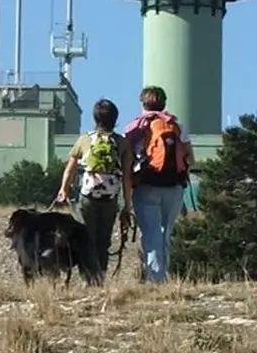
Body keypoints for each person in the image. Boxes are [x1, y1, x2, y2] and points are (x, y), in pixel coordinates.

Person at [55, 98, 133, 278]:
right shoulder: (122, 143)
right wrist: (128, 204)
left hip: (88, 197)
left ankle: (86, 277)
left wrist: (63, 189)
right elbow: (127, 177)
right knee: (103, 241)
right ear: (115, 119)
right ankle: (100, 277)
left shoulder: (84, 139)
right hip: (110, 199)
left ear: (95, 118)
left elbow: (70, 169)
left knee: (85, 238)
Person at [123, 86, 194, 283]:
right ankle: (162, 275)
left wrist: (127, 198)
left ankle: (156, 279)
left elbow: (127, 162)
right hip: (174, 188)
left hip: (146, 186)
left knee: (152, 235)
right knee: (165, 234)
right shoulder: (177, 125)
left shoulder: (136, 127)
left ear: (143, 104)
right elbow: (191, 159)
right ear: (164, 103)